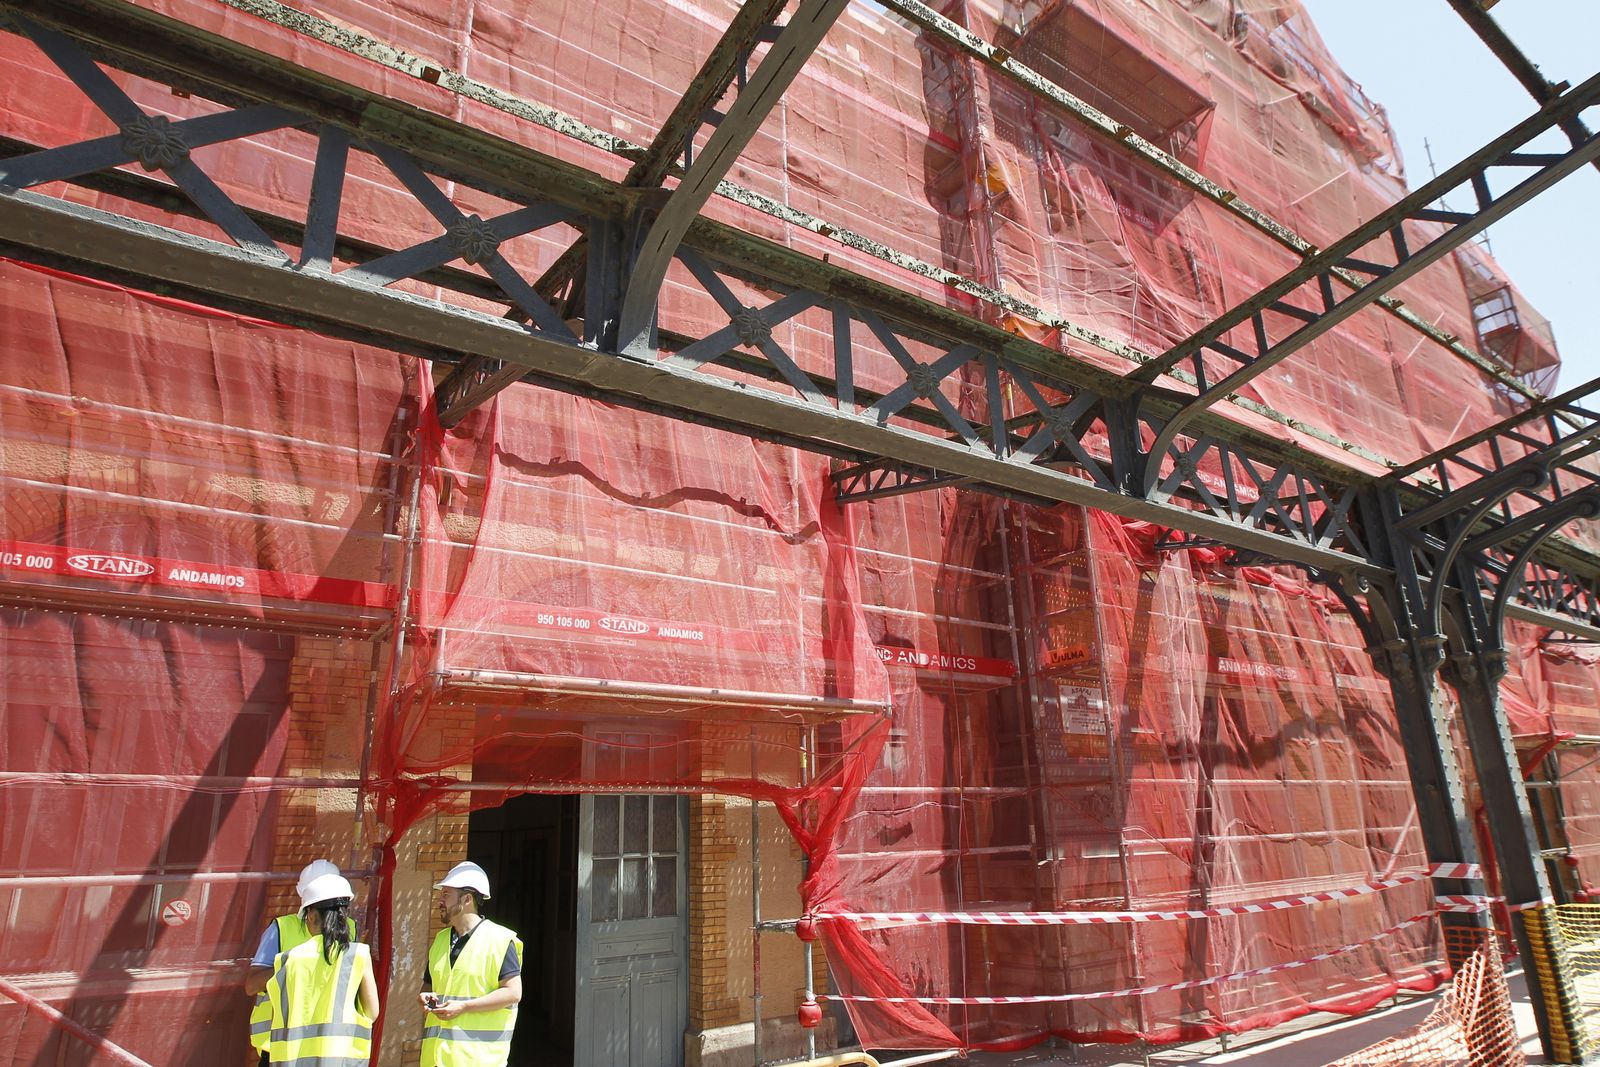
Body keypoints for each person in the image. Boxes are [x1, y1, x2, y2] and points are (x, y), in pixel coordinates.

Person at [263, 867, 381, 1065]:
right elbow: (371, 1012)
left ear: (310, 915)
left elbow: (279, 1012)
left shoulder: (287, 960)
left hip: (291, 1061)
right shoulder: (358, 955)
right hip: (340, 1060)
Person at [246, 859, 358, 1062]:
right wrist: (292, 965)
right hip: (282, 1046)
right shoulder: (281, 928)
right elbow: (252, 984)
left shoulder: (351, 929)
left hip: (327, 1047)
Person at [419, 861, 523, 1067]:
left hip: (478, 1060)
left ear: (467, 899)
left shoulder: (500, 940)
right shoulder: (440, 940)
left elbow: (513, 993)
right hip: (436, 1059)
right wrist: (425, 995)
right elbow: (429, 984)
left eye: (446, 894)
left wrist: (465, 1007)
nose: (440, 900)